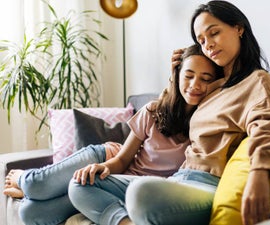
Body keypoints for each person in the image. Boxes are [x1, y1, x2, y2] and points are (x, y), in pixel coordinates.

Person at [3, 44, 222, 225]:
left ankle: (39, 192)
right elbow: (123, 159)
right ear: (177, 76)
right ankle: (24, 179)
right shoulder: (154, 111)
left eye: (206, 78)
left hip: (135, 189)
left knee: (31, 213)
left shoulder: (208, 124)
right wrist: (105, 167)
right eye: (189, 75)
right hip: (108, 158)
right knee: (35, 185)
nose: (195, 85)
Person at [123, 1, 270, 225]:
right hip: (179, 178)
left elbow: (269, 125)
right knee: (83, 186)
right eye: (201, 41)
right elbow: (173, 109)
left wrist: (259, 173)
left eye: (214, 33)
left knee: (139, 193)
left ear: (239, 28)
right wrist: (176, 74)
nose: (208, 45)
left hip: (206, 185)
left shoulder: (257, 81)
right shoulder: (214, 87)